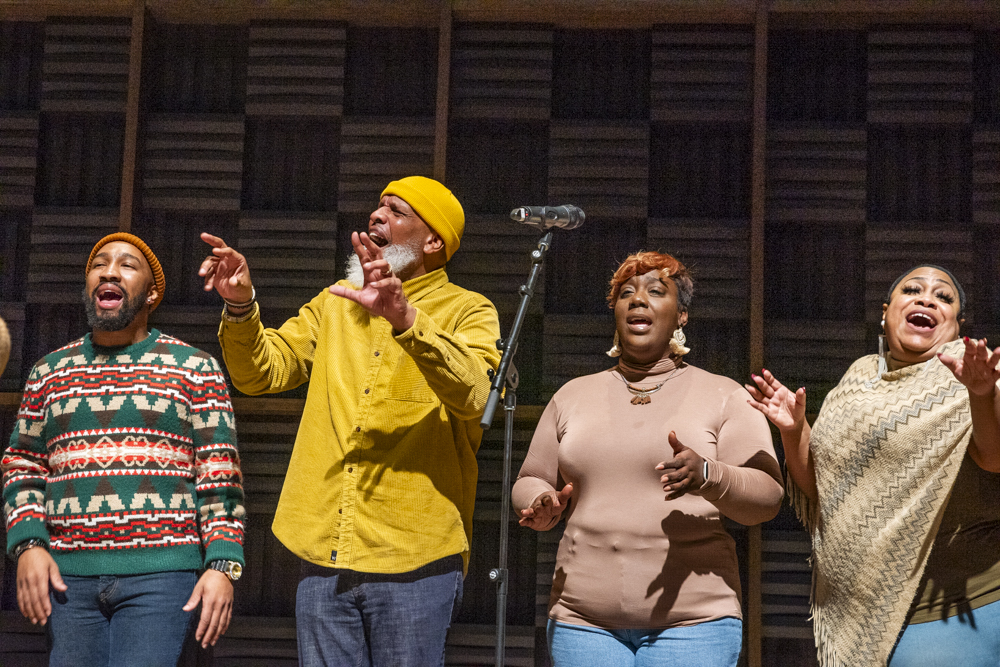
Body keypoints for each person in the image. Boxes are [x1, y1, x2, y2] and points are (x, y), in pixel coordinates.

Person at [199, 175, 501, 666]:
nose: (376, 216)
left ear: (432, 241)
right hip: (324, 552)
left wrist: (405, 318)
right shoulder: (337, 301)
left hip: (415, 558)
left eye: (397, 211)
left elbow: (476, 394)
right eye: (377, 207)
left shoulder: (469, 310)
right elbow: (261, 373)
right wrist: (240, 305)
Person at [512, 250, 784, 667]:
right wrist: (538, 502)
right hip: (582, 623)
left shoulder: (725, 394)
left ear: (682, 316)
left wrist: (708, 474)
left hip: (694, 625)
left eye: (657, 291)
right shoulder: (572, 395)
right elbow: (531, 477)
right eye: (626, 294)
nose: (638, 300)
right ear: (616, 313)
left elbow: (767, 497)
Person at [2, 233, 245, 667]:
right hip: (68, 577)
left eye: (127, 265)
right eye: (100, 264)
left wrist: (223, 565)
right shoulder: (49, 371)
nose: (110, 270)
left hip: (163, 577)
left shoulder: (195, 368)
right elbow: (22, 464)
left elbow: (220, 476)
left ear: (151, 293)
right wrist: (28, 545)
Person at [747, 265, 1000, 667]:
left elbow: (994, 456)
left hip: (952, 609)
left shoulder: (976, 371)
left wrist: (983, 393)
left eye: (944, 297)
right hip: (860, 609)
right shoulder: (858, 378)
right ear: (886, 311)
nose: (926, 298)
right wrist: (795, 431)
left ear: (957, 323)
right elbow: (822, 491)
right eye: (912, 290)